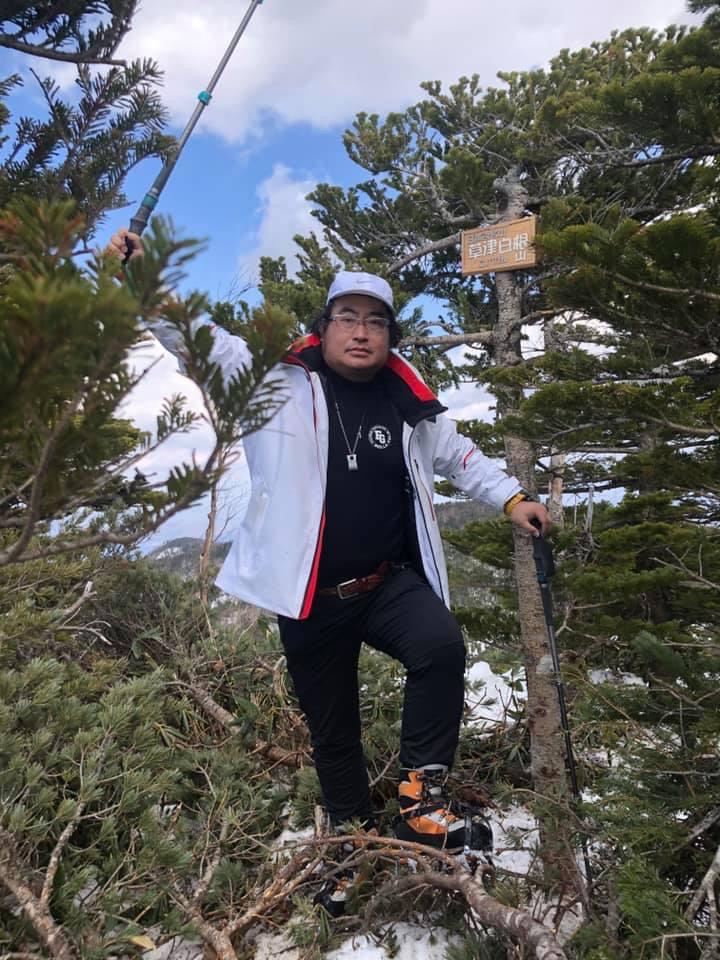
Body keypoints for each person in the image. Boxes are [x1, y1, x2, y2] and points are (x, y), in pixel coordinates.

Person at [109, 229, 549, 866]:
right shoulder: (274, 381)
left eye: (376, 321)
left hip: (385, 581)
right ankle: (350, 843)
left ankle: (421, 804)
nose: (361, 332)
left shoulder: (407, 401)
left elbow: (460, 456)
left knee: (440, 647)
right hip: (308, 592)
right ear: (324, 326)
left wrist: (513, 497)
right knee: (333, 728)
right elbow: (199, 340)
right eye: (347, 317)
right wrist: (144, 280)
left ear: (390, 334)